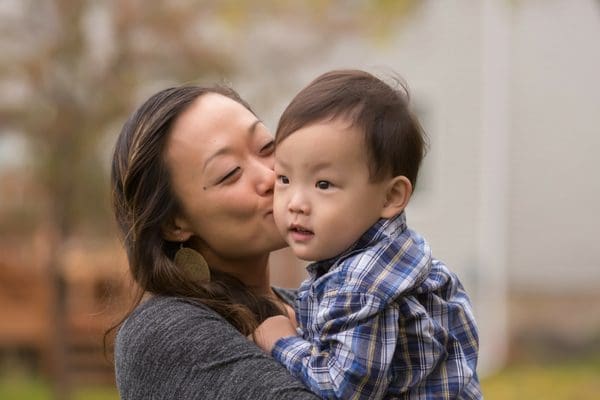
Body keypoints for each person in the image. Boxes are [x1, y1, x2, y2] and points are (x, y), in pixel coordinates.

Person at [252, 70, 482, 399]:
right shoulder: (396, 256)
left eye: (323, 184)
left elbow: (343, 388)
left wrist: (282, 342)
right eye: (284, 178)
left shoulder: (362, 285)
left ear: (390, 197)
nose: (296, 203)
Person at [110, 84, 320, 399]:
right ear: (173, 223)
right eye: (229, 173)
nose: (269, 176)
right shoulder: (163, 334)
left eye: (266, 147)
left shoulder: (320, 306)